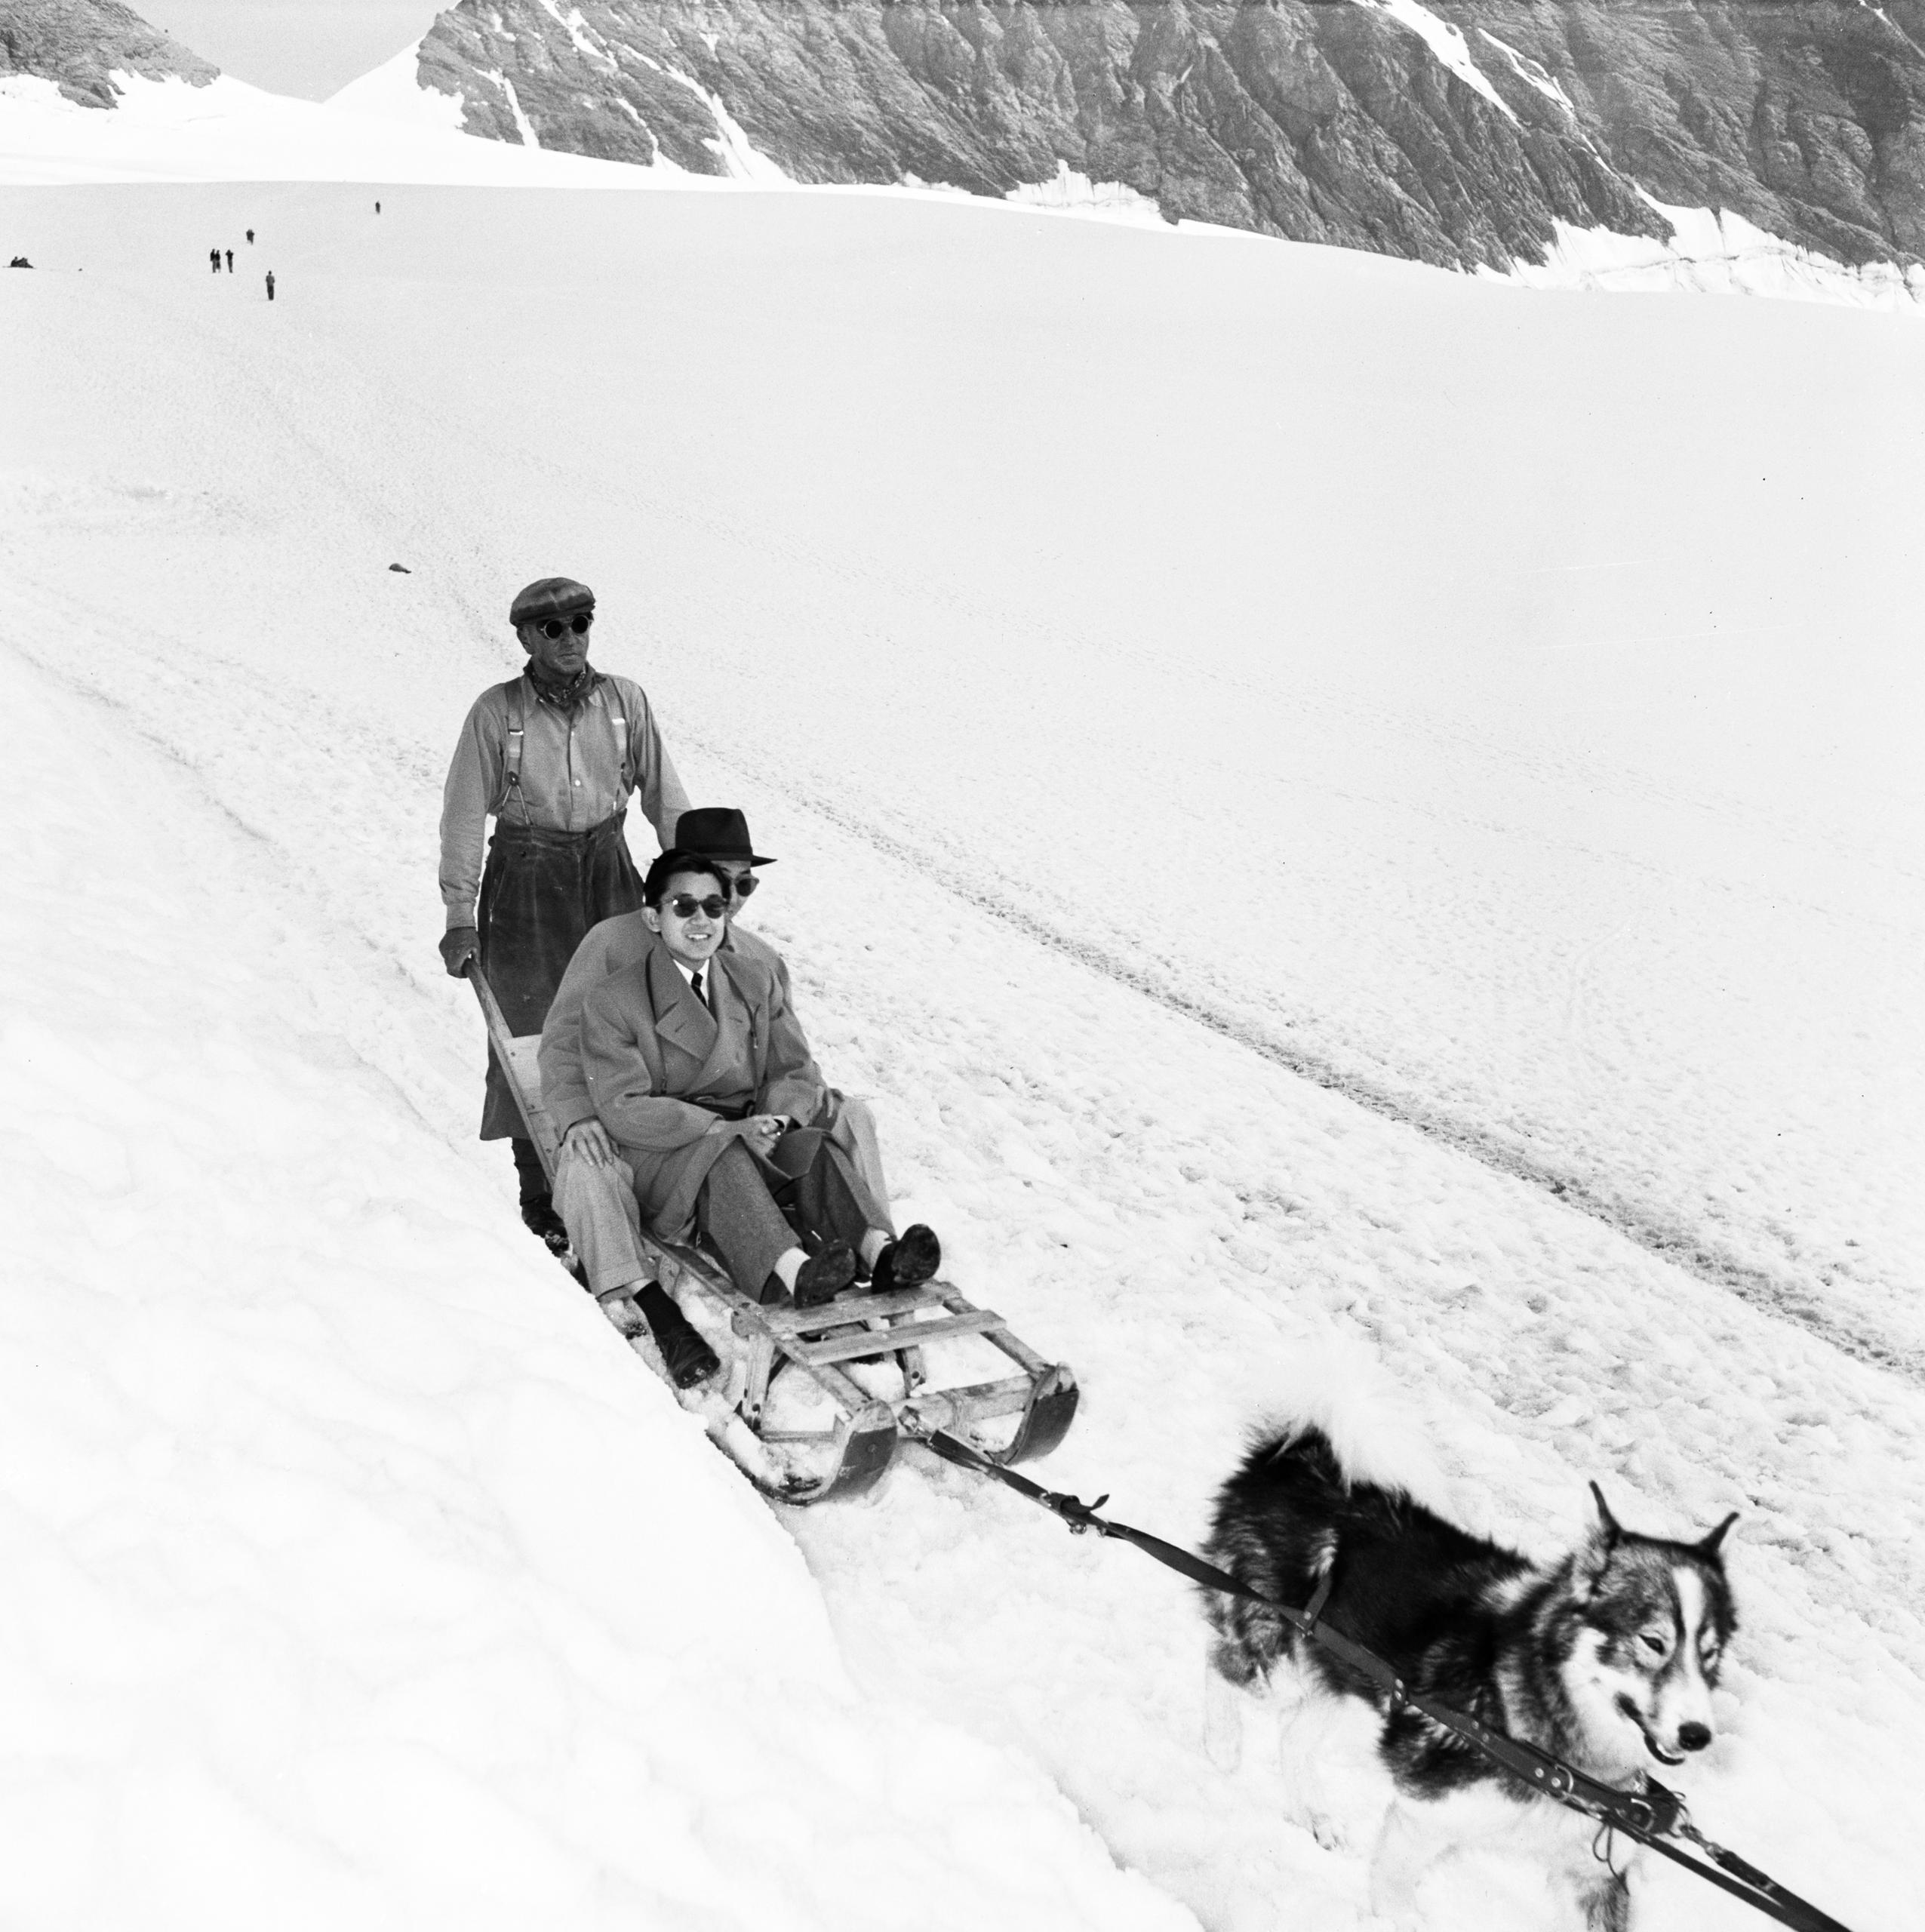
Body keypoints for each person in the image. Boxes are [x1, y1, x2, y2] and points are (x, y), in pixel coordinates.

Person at [537, 808, 891, 1383]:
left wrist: (784, 1116)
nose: (722, 903)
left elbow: (789, 1058)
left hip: (744, 1116)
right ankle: (650, 1299)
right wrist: (580, 1115)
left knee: (846, 1121)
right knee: (590, 1161)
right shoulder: (612, 949)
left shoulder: (756, 961)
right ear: (659, 904)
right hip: (655, 1122)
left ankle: (875, 1248)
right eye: (703, 892)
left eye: (734, 890)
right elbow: (561, 1047)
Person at [574, 851, 939, 1319]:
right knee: (724, 1156)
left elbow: (794, 1069)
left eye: (714, 907)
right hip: (668, 1152)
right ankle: (795, 1275)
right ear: (653, 917)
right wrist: (721, 1131)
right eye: (683, 906)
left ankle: (881, 1254)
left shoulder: (754, 979)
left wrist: (781, 1120)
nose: (700, 919)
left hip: (754, 1131)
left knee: (814, 1145)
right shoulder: (615, 998)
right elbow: (623, 1106)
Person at [440, 576, 690, 1244]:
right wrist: (459, 913)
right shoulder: (497, 713)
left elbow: (665, 797)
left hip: (608, 869)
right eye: (552, 628)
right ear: (523, 637)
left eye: (581, 622)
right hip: (526, 878)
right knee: (531, 1028)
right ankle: (543, 1193)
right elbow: (464, 815)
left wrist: (697, 883)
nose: (570, 638)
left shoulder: (624, 701)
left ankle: (637, 1166)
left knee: (631, 1019)